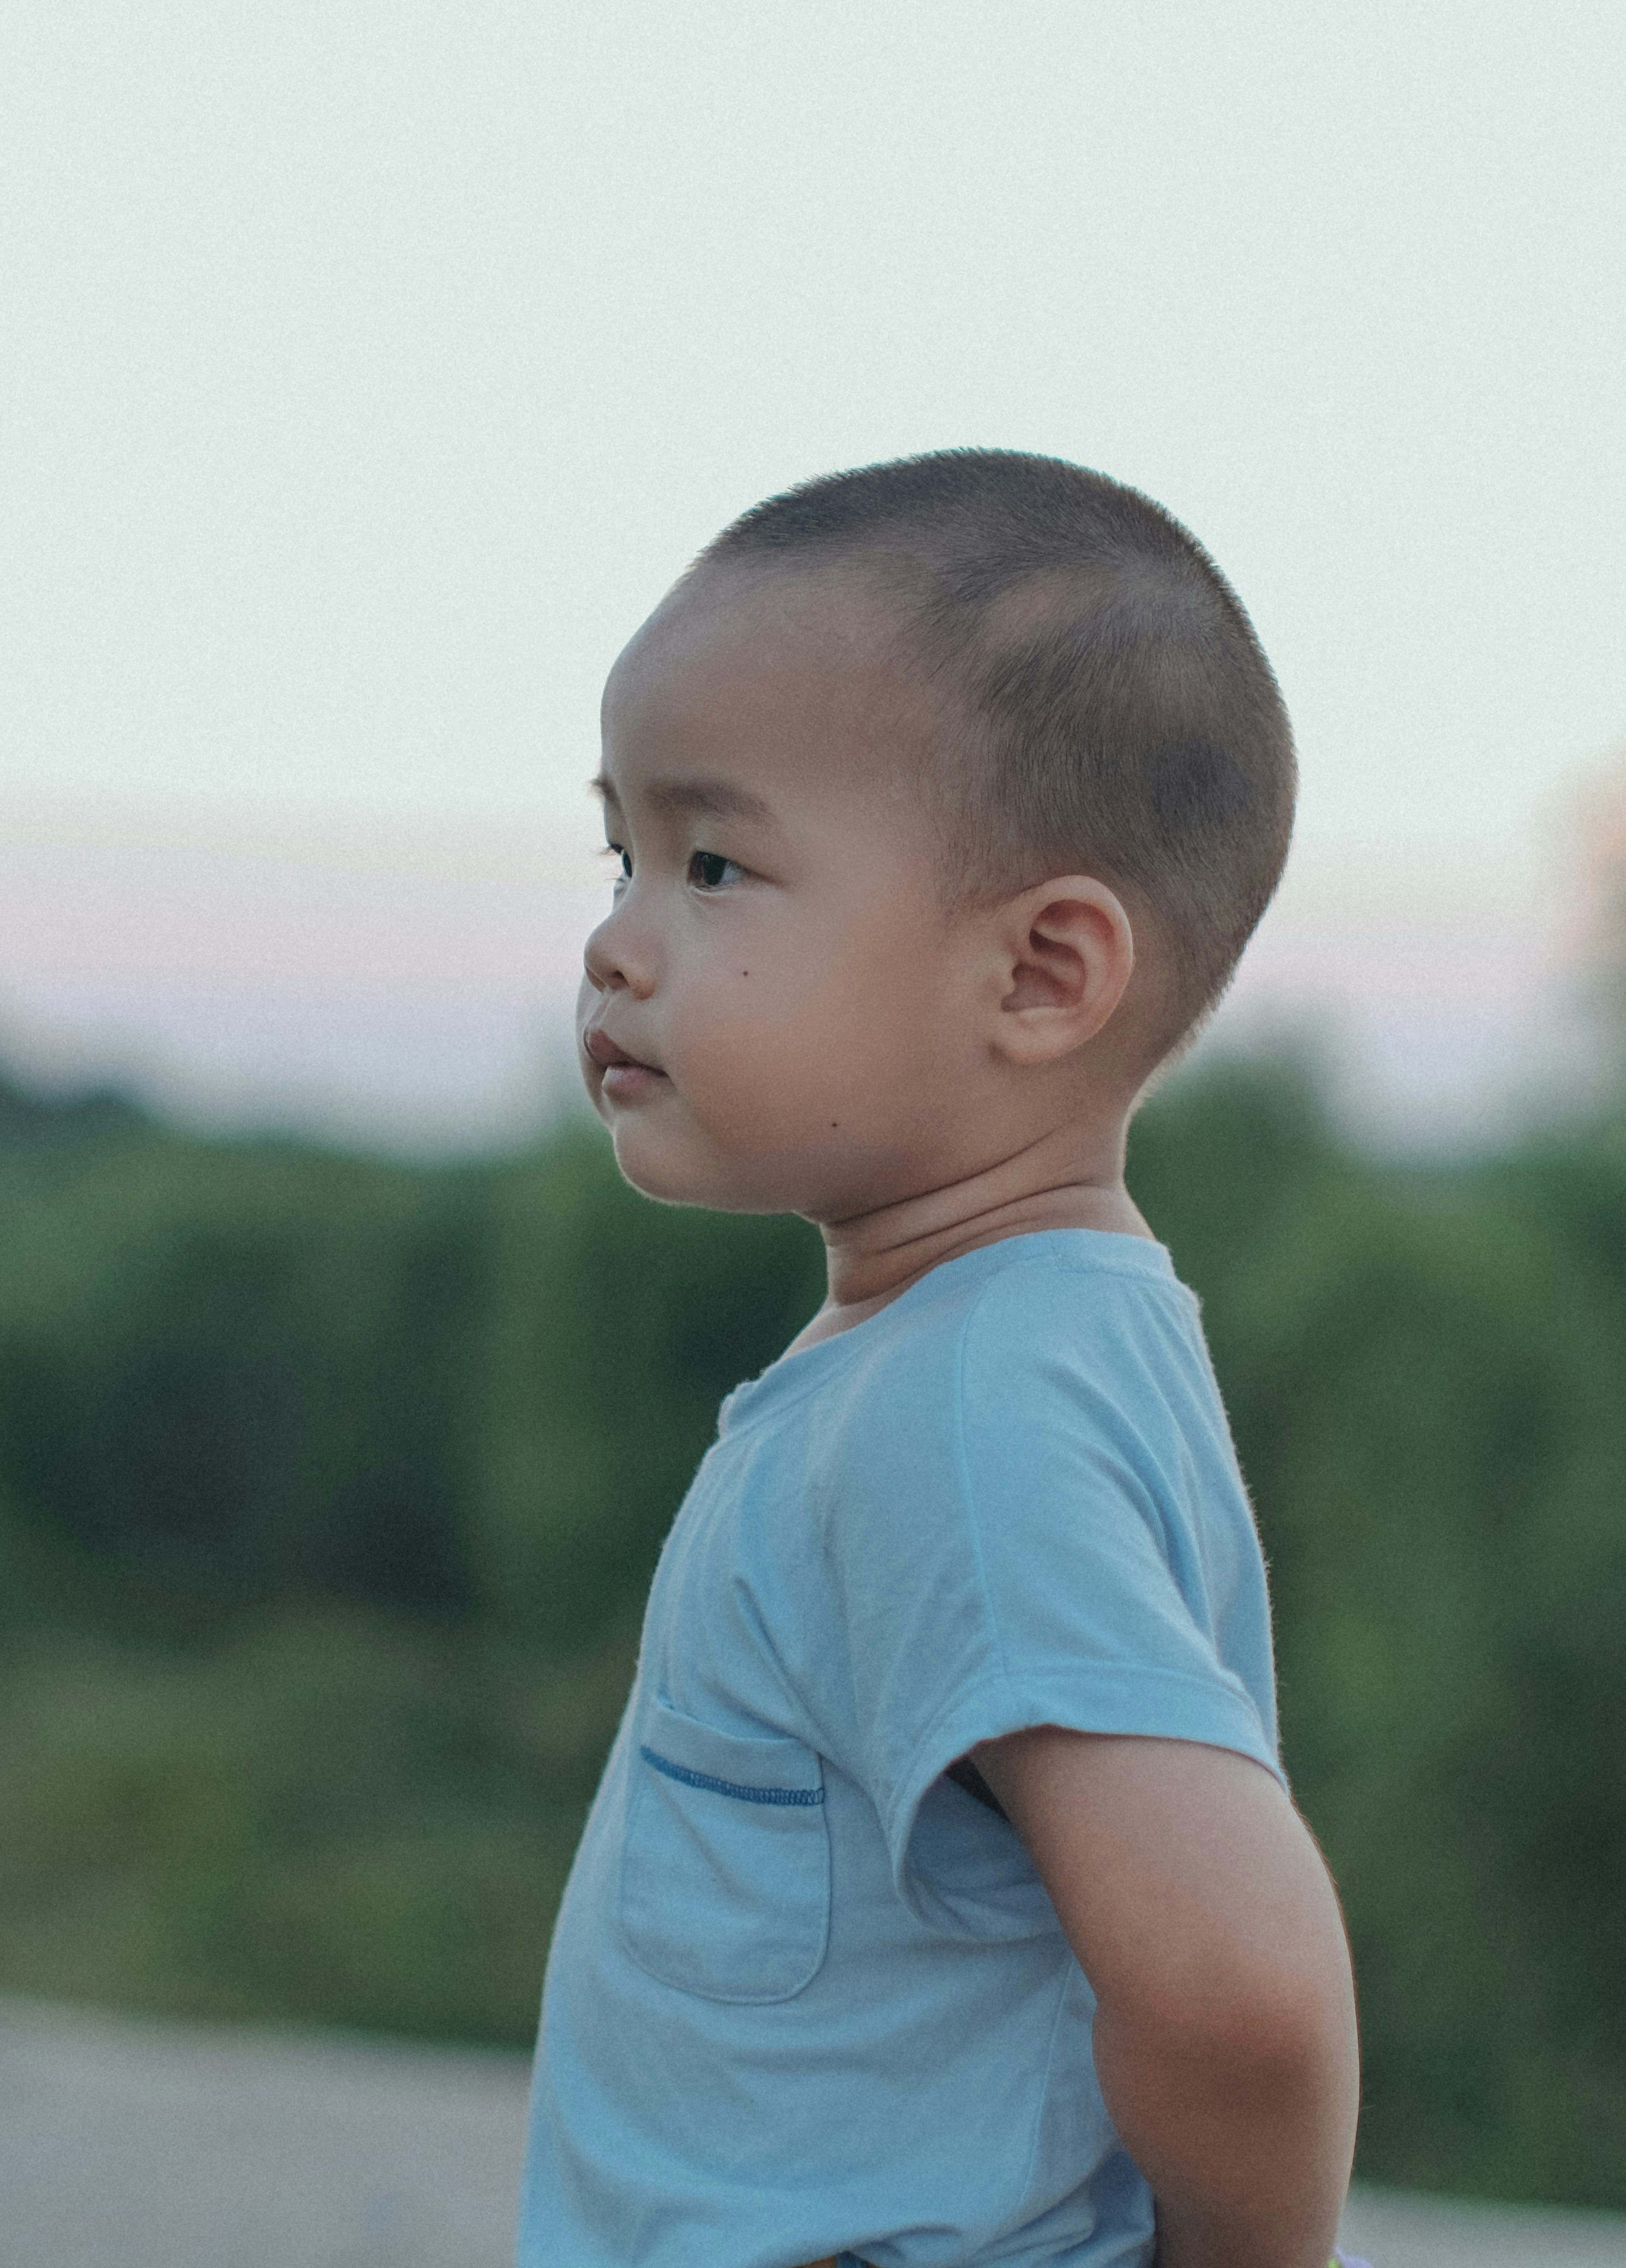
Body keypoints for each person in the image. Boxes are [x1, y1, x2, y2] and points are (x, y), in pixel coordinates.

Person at [521, 448, 1362, 2268]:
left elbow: (1237, 1991)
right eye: (624, 850)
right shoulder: (1006, 1344)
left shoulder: (970, 1414)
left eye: (716, 862)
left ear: (1045, 975)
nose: (614, 941)